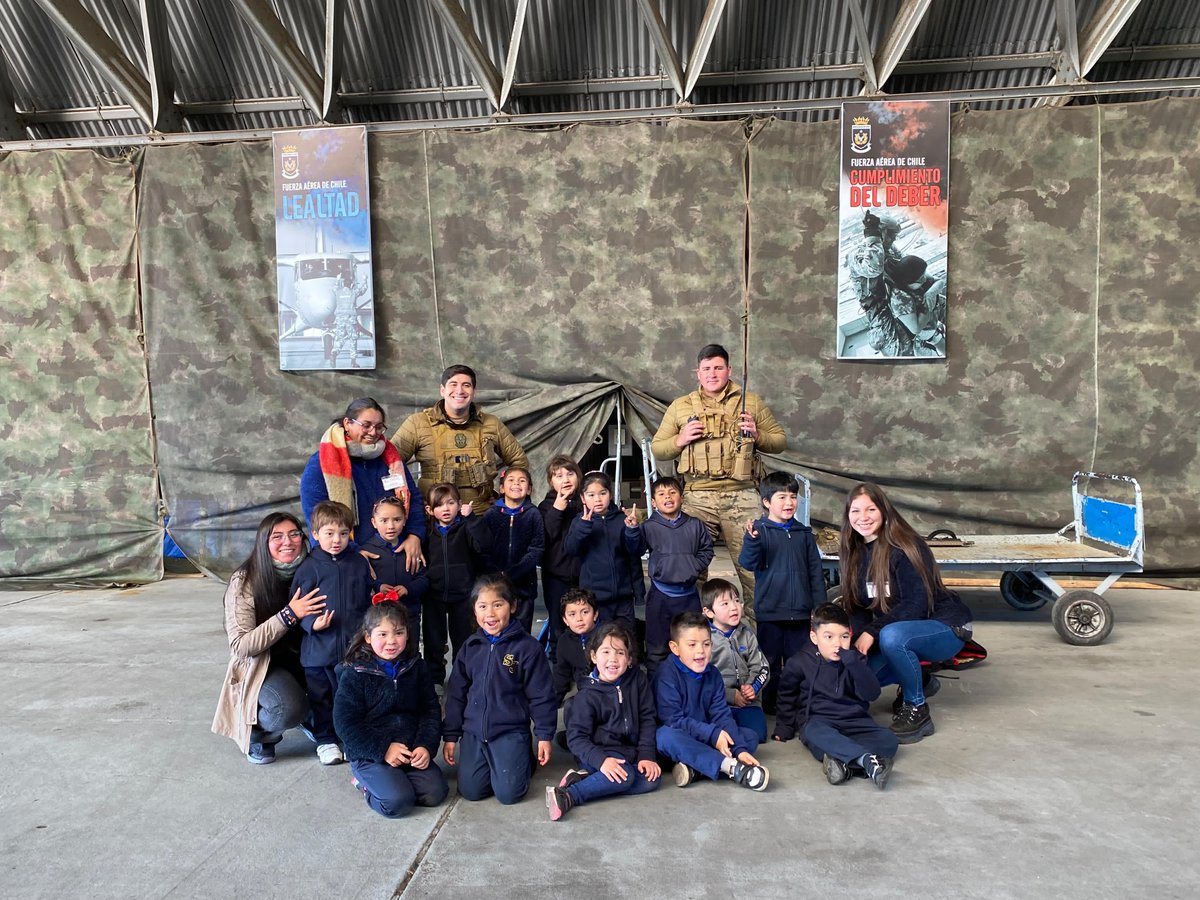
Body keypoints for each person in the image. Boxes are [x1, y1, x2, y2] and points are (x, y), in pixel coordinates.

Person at [650, 343, 788, 622]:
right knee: (690, 570)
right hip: (697, 495)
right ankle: (696, 634)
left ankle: (758, 640)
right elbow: (659, 448)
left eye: (718, 367)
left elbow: (780, 441)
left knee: (754, 570)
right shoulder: (681, 406)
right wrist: (681, 438)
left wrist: (758, 434)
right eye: (706, 369)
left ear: (729, 370)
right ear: (697, 373)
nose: (712, 374)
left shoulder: (751, 401)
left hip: (742, 494)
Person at [839, 482, 974, 744]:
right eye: (855, 511)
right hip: (903, 629)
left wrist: (871, 632)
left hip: (945, 626)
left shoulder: (905, 546)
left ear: (884, 511)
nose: (863, 517)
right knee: (858, 682)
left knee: (892, 637)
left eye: (871, 509)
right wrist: (855, 647)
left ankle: (916, 707)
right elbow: (857, 607)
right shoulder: (853, 551)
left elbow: (917, 604)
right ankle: (920, 678)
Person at [212, 512, 326, 765]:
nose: (288, 541)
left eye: (294, 534)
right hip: (265, 665)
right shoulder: (245, 581)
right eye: (277, 537)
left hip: (307, 657)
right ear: (264, 543)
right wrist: (289, 615)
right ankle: (260, 736)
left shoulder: (316, 568)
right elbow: (241, 646)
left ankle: (312, 715)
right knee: (288, 707)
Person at [442, 574, 557, 804]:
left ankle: (523, 755)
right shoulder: (470, 647)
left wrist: (544, 735)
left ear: (512, 606)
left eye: (498, 605)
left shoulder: (527, 648)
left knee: (508, 794)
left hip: (510, 730)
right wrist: (451, 735)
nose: (490, 614)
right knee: (472, 792)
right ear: (474, 610)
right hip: (474, 731)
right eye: (482, 606)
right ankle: (494, 759)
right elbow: (456, 694)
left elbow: (541, 695)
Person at [333, 602, 448, 817]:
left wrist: (425, 746)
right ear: (368, 637)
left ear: (407, 634)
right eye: (382, 634)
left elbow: (430, 710)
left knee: (435, 793)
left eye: (398, 633)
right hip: (372, 754)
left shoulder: (416, 667)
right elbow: (345, 723)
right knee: (397, 803)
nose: (391, 641)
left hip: (409, 750)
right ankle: (363, 782)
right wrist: (383, 749)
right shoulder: (355, 673)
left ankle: (393, 780)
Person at [772, 603, 896, 789]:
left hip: (856, 722)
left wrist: (854, 665)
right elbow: (787, 695)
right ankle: (866, 761)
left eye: (844, 637)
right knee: (814, 734)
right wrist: (784, 726)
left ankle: (842, 764)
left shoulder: (856, 660)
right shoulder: (799, 662)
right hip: (820, 722)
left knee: (889, 741)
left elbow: (872, 694)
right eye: (828, 637)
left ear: (851, 635)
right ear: (814, 637)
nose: (837, 644)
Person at [547, 623, 661, 820]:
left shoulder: (638, 680)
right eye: (605, 652)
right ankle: (569, 795)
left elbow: (647, 718)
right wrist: (601, 761)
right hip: (597, 752)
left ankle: (585, 780)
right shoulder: (587, 695)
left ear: (630, 659)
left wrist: (646, 755)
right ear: (593, 656)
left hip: (628, 752)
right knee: (625, 777)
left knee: (652, 779)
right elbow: (576, 739)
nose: (612, 659)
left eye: (620, 653)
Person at [299, 397, 424, 569]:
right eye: (366, 425)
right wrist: (352, 552)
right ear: (347, 423)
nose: (373, 432)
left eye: (379, 427)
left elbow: (413, 497)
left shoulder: (391, 459)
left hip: (394, 554)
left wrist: (414, 535)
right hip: (345, 559)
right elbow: (316, 517)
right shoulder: (322, 462)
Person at [293, 500, 374, 765]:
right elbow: (296, 605)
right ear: (315, 534)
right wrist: (312, 624)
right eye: (329, 533)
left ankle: (350, 738)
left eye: (343, 533)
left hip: (353, 649)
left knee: (350, 697)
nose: (336, 540)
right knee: (322, 698)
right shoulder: (308, 567)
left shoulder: (358, 563)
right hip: (318, 652)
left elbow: (366, 599)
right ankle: (326, 740)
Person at [738, 471, 825, 714]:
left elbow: (816, 574)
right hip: (770, 613)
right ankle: (771, 707)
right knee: (771, 664)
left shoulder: (804, 534)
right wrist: (752, 540)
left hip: (800, 614)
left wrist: (818, 610)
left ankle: (797, 706)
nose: (789, 503)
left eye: (793, 497)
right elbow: (748, 563)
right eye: (782, 497)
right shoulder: (759, 531)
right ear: (766, 502)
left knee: (799, 663)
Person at [654, 611, 769, 791]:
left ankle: (696, 769)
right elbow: (673, 721)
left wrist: (740, 750)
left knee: (749, 737)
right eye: (691, 645)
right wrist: (713, 734)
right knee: (665, 737)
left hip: (705, 737)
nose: (700, 651)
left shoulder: (713, 674)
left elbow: (721, 714)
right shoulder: (666, 675)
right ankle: (731, 768)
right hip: (680, 740)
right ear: (675, 648)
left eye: (706, 644)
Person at [393, 364, 528, 511]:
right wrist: (410, 500)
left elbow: (519, 462)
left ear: (474, 392)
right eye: (453, 384)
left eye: (466, 385)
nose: (460, 390)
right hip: (436, 520)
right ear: (442, 390)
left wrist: (505, 496)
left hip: (481, 516)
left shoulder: (491, 423)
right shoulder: (418, 423)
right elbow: (391, 463)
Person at [624, 475, 713, 672]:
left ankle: (688, 687)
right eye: (662, 494)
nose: (668, 497)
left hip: (689, 596)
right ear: (654, 502)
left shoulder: (695, 524)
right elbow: (635, 550)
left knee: (690, 644)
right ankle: (657, 694)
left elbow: (707, 550)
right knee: (657, 648)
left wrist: (693, 566)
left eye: (673, 492)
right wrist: (631, 529)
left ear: (682, 497)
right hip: (660, 597)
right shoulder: (648, 526)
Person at [422, 483, 492, 686]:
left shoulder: (466, 528)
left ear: (459, 504)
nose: (446, 509)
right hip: (433, 595)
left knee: (462, 640)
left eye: (451, 503)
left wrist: (471, 519)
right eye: (440, 505)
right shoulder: (426, 533)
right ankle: (435, 681)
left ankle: (461, 680)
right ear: (429, 510)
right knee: (433, 641)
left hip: (463, 594)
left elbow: (484, 545)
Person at [564, 471, 644, 627]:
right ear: (582, 498)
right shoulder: (579, 521)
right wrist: (583, 526)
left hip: (623, 597)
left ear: (611, 494)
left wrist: (632, 529)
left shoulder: (622, 519)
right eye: (591, 495)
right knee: (600, 641)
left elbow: (635, 552)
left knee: (627, 639)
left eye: (602, 493)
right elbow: (572, 549)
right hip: (595, 598)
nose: (598, 499)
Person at [701, 578, 769, 743]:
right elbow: (702, 678)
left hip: (748, 703)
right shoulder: (705, 639)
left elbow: (762, 668)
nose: (734, 607)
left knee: (758, 735)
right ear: (709, 612)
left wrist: (753, 688)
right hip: (717, 705)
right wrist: (730, 695)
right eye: (725, 604)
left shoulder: (747, 634)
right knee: (717, 732)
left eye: (737, 601)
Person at [482, 466, 545, 632]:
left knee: (521, 632)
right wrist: (497, 573)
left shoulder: (533, 514)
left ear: (529, 488)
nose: (516, 483)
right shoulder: (491, 515)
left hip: (524, 587)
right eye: (511, 480)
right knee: (497, 629)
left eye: (522, 481)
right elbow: (484, 548)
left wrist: (514, 572)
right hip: (496, 586)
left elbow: (537, 548)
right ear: (502, 488)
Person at [361, 496, 429, 640]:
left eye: (397, 520)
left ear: (405, 520)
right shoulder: (366, 551)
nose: (391, 526)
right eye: (384, 521)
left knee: (411, 654)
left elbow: (424, 579)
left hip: (409, 617)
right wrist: (378, 587)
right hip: (379, 620)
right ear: (374, 522)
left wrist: (408, 589)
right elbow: (362, 581)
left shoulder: (412, 549)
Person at [537, 455, 584, 660]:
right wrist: (557, 509)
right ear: (551, 481)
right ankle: (558, 664)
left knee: (583, 620)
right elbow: (545, 539)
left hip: (584, 574)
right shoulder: (545, 507)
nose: (565, 479)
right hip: (555, 575)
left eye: (570, 473)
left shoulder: (586, 502)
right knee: (558, 623)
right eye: (558, 475)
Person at [552, 588, 600, 748]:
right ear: (565, 620)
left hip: (611, 696)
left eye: (585, 612)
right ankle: (579, 743)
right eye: (572, 614)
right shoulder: (565, 641)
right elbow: (560, 677)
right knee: (571, 706)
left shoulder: (609, 635)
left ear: (596, 614)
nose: (579, 619)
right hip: (585, 695)